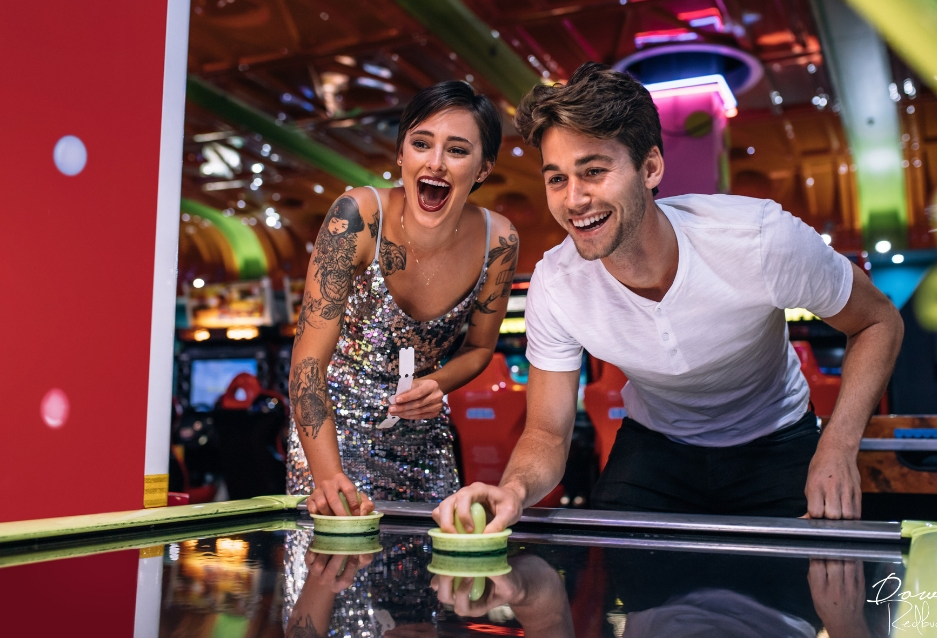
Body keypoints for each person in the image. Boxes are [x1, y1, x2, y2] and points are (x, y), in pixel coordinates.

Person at [434, 62, 903, 532]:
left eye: (593, 171)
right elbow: (546, 432)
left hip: (777, 439)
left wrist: (839, 447)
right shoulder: (555, 284)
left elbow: (878, 322)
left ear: (651, 168)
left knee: (808, 593)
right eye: (557, 179)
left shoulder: (759, 239)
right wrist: (512, 489)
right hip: (655, 446)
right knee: (624, 587)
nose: (573, 200)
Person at [287, 80, 519, 516]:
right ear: (400, 154)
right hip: (332, 441)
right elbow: (306, 365)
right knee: (335, 573)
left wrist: (437, 384)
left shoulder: (499, 240)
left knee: (433, 576)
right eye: (420, 143)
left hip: (425, 443)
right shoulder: (356, 217)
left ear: (483, 169)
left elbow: (480, 348)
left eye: (457, 150)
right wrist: (327, 475)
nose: (436, 163)